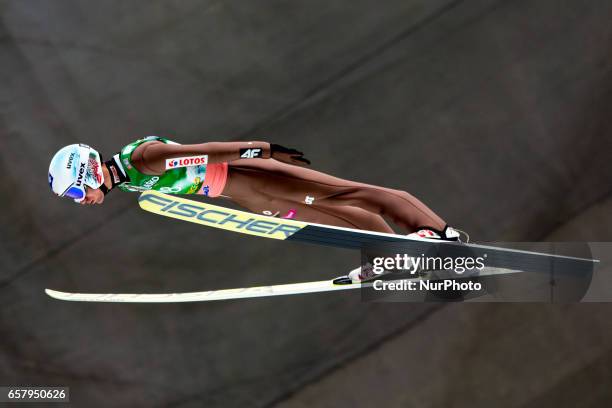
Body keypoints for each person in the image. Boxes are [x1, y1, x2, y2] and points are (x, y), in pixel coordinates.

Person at [48, 136, 460, 282]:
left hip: (254, 176)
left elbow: (202, 152)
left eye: (76, 193)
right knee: (334, 218)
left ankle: (439, 234)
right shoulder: (127, 181)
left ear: (87, 172)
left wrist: (264, 149)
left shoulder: (142, 160)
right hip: (245, 197)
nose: (81, 201)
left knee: (349, 194)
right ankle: (392, 253)